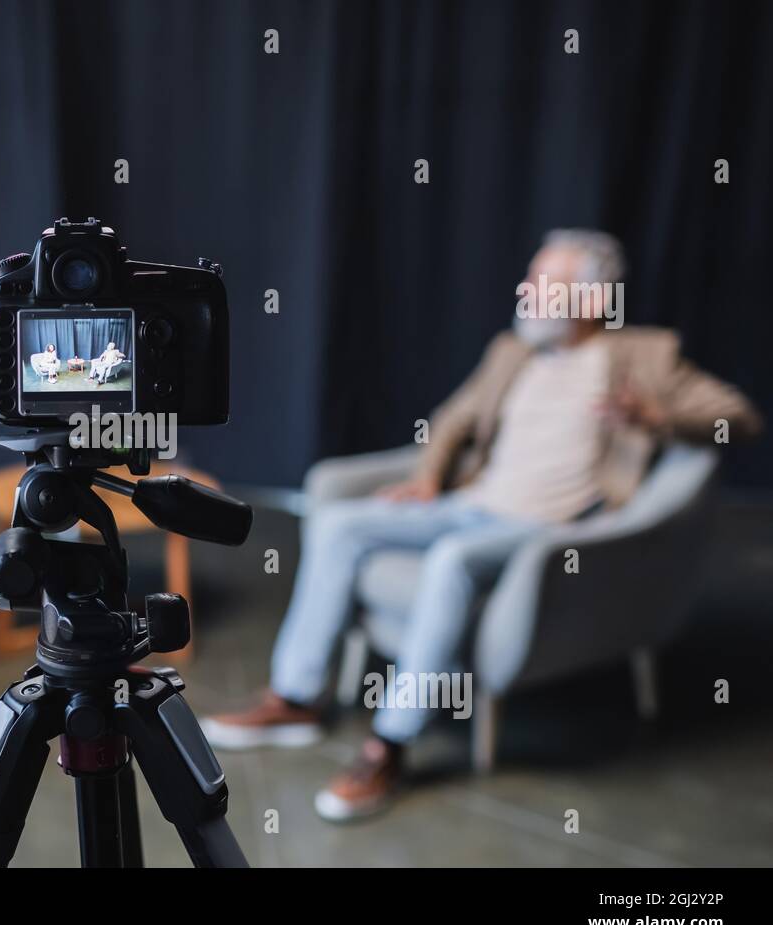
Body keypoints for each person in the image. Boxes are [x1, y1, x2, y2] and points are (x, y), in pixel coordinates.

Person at [202, 229, 763, 822]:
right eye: (530, 277)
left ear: (594, 302)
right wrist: (428, 476)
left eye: (545, 283)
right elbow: (454, 416)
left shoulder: (647, 357)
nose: (525, 291)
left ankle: (388, 745)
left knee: (452, 561)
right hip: (472, 504)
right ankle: (295, 699)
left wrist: (656, 415)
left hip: (549, 531)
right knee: (339, 523)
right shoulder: (511, 352)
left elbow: (740, 418)